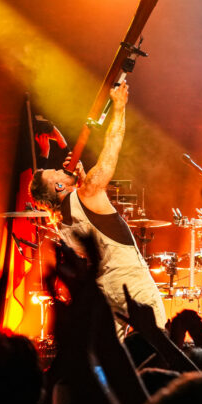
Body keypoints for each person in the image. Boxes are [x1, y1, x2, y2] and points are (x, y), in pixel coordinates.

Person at [29, 80, 166, 336]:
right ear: (59, 186)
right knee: (157, 343)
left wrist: (82, 179)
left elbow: (85, 212)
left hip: (105, 289)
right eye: (56, 171)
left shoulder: (60, 221)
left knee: (113, 352)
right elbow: (112, 147)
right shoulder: (88, 193)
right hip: (131, 282)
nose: (61, 168)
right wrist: (120, 107)